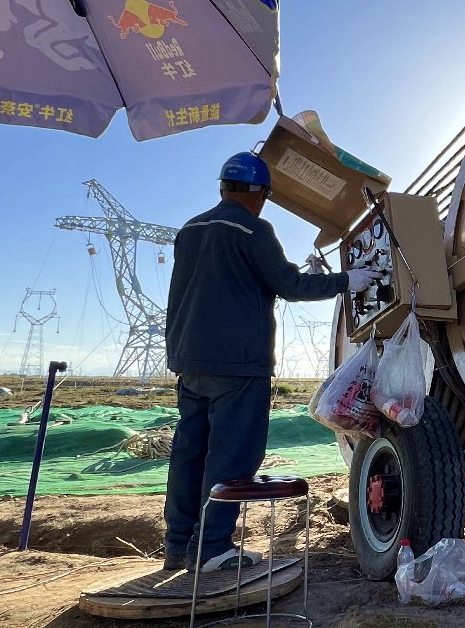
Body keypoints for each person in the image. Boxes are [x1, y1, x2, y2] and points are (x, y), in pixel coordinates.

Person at [162, 151, 381, 573]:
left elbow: (222, 282)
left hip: (189, 360)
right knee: (231, 456)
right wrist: (345, 281)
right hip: (239, 365)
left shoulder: (190, 230)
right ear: (260, 193)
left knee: (190, 453)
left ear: (223, 187)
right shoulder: (253, 228)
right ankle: (211, 549)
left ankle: (177, 545)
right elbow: (289, 285)